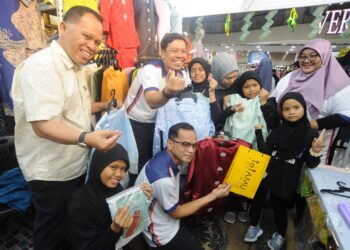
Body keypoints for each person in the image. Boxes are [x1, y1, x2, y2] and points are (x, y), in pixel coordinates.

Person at [11, 6, 121, 249]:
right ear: (63, 27)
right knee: (51, 232)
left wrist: (104, 105)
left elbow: (71, 108)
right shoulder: (43, 66)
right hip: (51, 173)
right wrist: (87, 138)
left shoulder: (75, 67)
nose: (93, 45)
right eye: (86, 36)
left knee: (66, 228)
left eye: (97, 41)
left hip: (71, 166)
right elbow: (43, 125)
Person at [243, 92, 324, 250]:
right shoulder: (278, 130)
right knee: (257, 200)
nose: (291, 112)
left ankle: (281, 234)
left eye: (296, 107)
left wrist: (315, 150)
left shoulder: (310, 134)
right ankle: (253, 225)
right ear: (282, 111)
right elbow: (266, 151)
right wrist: (259, 133)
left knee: (279, 207)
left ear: (303, 108)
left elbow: (312, 163)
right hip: (267, 172)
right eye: (286, 109)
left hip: (285, 179)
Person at [135, 122, 231, 250]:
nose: (191, 150)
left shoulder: (165, 156)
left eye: (194, 145)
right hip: (161, 234)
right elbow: (176, 213)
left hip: (162, 218)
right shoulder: (164, 179)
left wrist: (212, 141)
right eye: (185, 144)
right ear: (170, 144)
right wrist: (213, 196)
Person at [271, 38, 350, 163]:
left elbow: (345, 116)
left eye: (313, 56)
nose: (306, 60)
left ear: (325, 56)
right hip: (286, 141)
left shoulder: (339, 83)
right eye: (303, 56)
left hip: (316, 144)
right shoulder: (290, 77)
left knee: (308, 175)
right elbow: (274, 98)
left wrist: (306, 125)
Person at [124, 33, 187, 184]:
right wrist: (168, 92)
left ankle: (153, 197)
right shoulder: (150, 69)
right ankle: (135, 199)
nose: (180, 55)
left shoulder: (182, 73)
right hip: (137, 123)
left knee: (156, 163)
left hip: (161, 123)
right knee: (138, 166)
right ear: (163, 53)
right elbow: (152, 100)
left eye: (183, 51)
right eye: (175, 51)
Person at [67, 144, 152, 250]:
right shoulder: (79, 203)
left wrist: (144, 199)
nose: (119, 174)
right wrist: (114, 229)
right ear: (99, 165)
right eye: (113, 167)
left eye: (123, 169)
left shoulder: (116, 189)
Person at [209, 52, 239, 130]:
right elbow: (216, 120)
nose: (232, 81)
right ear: (217, 74)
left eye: (235, 76)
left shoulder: (239, 86)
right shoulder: (210, 90)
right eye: (228, 78)